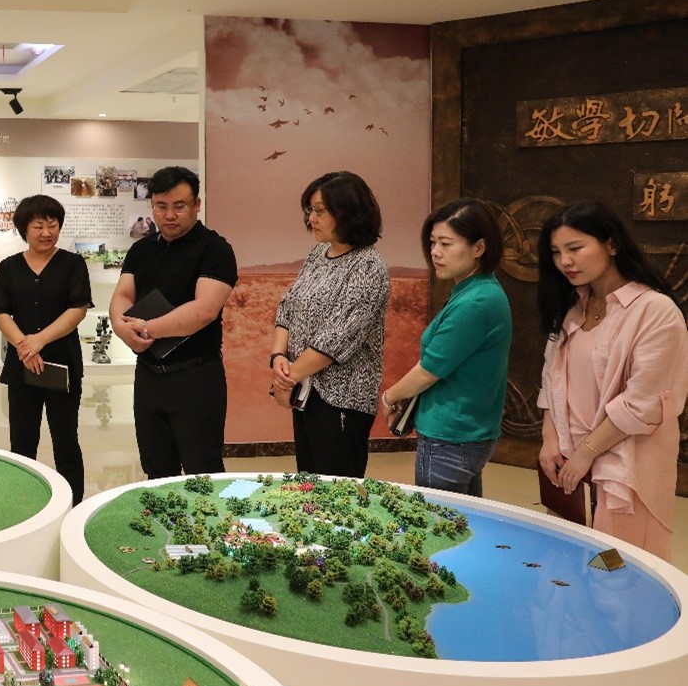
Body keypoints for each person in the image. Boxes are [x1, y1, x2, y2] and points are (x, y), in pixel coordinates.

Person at [536, 201, 688, 560]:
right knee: (570, 568)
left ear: (612, 244)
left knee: (617, 572)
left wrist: (586, 453)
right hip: (571, 467)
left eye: (575, 248)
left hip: (625, 469)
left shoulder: (655, 311)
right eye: (556, 252)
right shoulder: (574, 308)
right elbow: (551, 380)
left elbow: (642, 403)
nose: (565, 261)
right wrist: (549, 438)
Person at [110, 166, 237, 478]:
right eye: (160, 206)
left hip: (195, 377)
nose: (169, 215)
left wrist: (145, 329)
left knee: (202, 472)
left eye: (179, 206)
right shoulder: (141, 249)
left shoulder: (215, 249)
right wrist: (120, 327)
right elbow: (123, 294)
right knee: (156, 471)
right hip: (149, 375)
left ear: (197, 204)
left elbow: (204, 310)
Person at [381, 198, 512, 495]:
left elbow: (429, 370)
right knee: (460, 517)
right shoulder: (476, 290)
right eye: (432, 242)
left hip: (451, 435)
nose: (435, 252)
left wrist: (389, 397)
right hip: (465, 431)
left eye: (446, 243)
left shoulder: (475, 302)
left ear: (479, 248)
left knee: (437, 520)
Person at [270, 171, 388, 478]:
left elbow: (337, 339)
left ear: (348, 212)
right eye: (310, 210)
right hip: (305, 391)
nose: (312, 219)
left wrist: (286, 379)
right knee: (308, 485)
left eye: (320, 211)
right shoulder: (318, 255)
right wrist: (278, 356)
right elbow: (288, 307)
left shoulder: (369, 267)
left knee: (336, 490)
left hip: (342, 400)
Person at [0, 195, 92, 503]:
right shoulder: (8, 267)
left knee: (66, 441)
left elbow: (78, 309)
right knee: (22, 442)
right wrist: (26, 347)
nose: (46, 233)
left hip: (62, 365)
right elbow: (1, 313)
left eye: (52, 225)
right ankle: (24, 503)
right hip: (22, 367)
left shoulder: (73, 264)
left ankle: (73, 505)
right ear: (24, 229)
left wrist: (39, 340)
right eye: (38, 226)